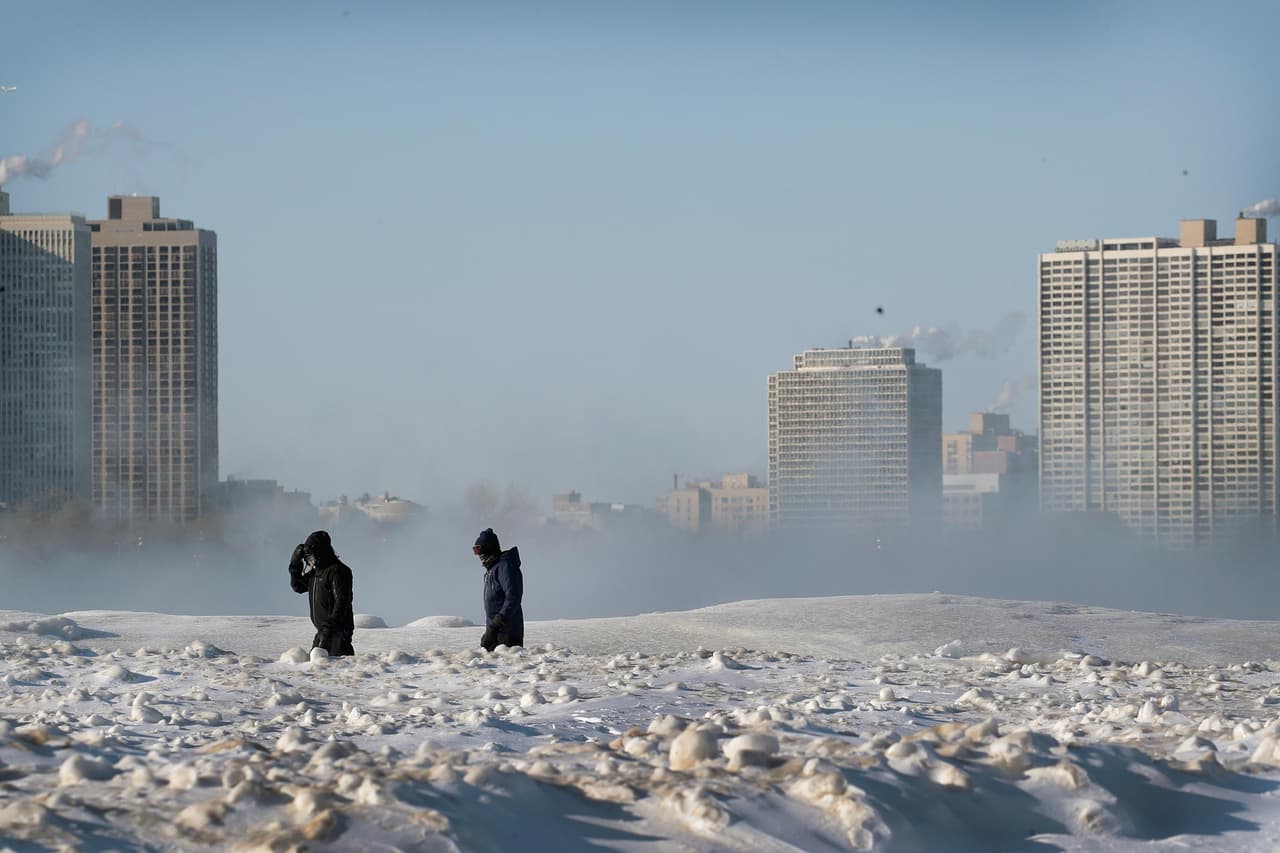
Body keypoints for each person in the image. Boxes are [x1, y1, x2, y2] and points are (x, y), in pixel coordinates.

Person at [288, 530, 355, 656]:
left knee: (331, 671)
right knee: (317, 668)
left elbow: (342, 601)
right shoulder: (316, 573)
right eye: (307, 558)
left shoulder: (338, 571)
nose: (310, 562)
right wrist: (295, 563)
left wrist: (329, 628)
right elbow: (297, 586)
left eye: (311, 557)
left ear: (320, 553)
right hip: (323, 632)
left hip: (337, 633)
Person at [473, 527, 523, 651]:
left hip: (507, 633)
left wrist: (497, 623)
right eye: (476, 551)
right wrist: (490, 630)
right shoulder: (492, 570)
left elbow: (513, 597)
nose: (479, 555)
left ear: (489, 549)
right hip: (495, 632)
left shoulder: (505, 567)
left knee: (505, 668)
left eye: (480, 550)